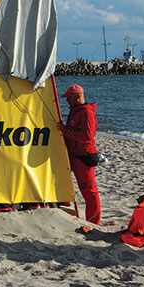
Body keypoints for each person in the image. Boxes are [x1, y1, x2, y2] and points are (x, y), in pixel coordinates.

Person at [56, 84, 101, 224]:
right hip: (74, 153)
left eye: (69, 97)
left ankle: (93, 221)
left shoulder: (86, 112)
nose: (66, 100)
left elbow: (87, 135)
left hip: (84, 155)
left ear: (77, 97)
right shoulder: (75, 110)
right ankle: (66, 202)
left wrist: (65, 131)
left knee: (89, 191)